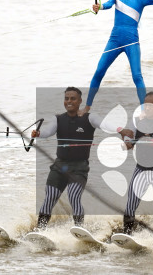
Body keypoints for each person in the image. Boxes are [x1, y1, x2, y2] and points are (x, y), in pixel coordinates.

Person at [30, 87, 119, 230]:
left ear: (80, 101)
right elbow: (47, 131)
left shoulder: (90, 117)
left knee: (73, 196)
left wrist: (120, 130)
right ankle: (39, 230)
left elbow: (104, 125)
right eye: (66, 98)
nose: (69, 101)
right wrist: (38, 133)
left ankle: (79, 230)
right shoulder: (58, 119)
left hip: (79, 168)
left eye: (73, 98)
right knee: (50, 197)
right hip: (59, 166)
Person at [117, 91, 153, 234]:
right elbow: (128, 137)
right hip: (141, 169)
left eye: (151, 105)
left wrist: (152, 142)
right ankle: (127, 234)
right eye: (145, 105)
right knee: (131, 202)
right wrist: (127, 143)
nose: (147, 108)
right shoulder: (137, 121)